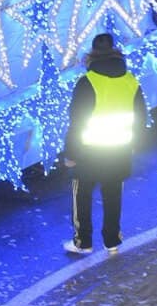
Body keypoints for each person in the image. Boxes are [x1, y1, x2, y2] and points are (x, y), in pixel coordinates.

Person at [62, 33, 146, 256]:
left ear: (91, 57)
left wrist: (70, 153)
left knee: (82, 195)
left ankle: (83, 243)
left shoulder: (88, 82)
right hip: (119, 149)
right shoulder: (130, 81)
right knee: (113, 196)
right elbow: (141, 116)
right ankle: (112, 241)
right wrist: (135, 142)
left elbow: (77, 120)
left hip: (89, 152)